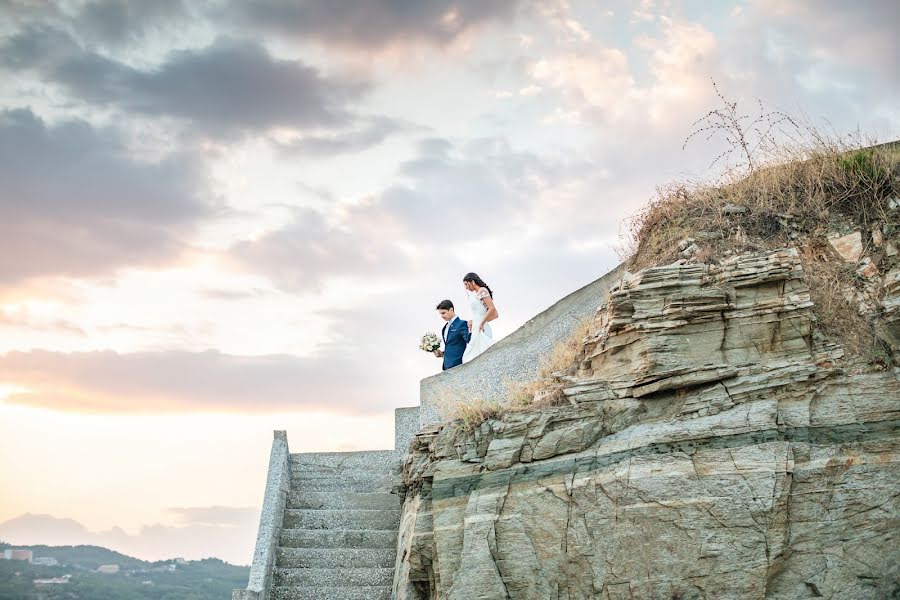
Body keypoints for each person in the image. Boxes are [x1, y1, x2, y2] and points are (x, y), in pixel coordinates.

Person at [462, 272, 498, 363]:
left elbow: (492, 308)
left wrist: (481, 323)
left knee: (482, 348)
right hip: (476, 325)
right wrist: (474, 321)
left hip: (481, 325)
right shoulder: (476, 294)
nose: (466, 287)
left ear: (472, 281)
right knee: (475, 349)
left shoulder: (482, 290)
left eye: (466, 284)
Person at [434, 299, 470, 370]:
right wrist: (442, 354)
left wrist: (473, 327)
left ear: (451, 310)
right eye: (440, 314)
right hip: (446, 366)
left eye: (443, 313)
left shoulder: (462, 323)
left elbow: (469, 339)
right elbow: (452, 346)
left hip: (458, 365)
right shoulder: (444, 328)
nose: (442, 316)